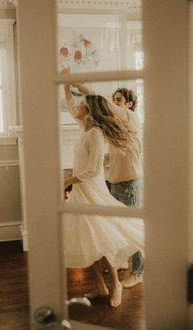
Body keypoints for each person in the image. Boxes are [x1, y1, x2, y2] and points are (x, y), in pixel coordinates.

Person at [62, 80, 144, 308]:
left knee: (102, 237)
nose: (76, 107)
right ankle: (100, 285)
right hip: (81, 191)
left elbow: (92, 170)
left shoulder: (96, 133)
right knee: (88, 240)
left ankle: (119, 283)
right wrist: (65, 85)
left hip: (93, 191)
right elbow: (70, 105)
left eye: (81, 105)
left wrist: (66, 180)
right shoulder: (84, 129)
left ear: (88, 111)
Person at [111, 88, 144, 288]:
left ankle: (138, 272)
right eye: (113, 99)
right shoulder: (117, 126)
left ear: (129, 104)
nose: (114, 103)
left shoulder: (132, 118)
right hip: (116, 182)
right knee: (120, 225)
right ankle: (122, 260)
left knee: (135, 229)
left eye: (119, 100)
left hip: (130, 183)